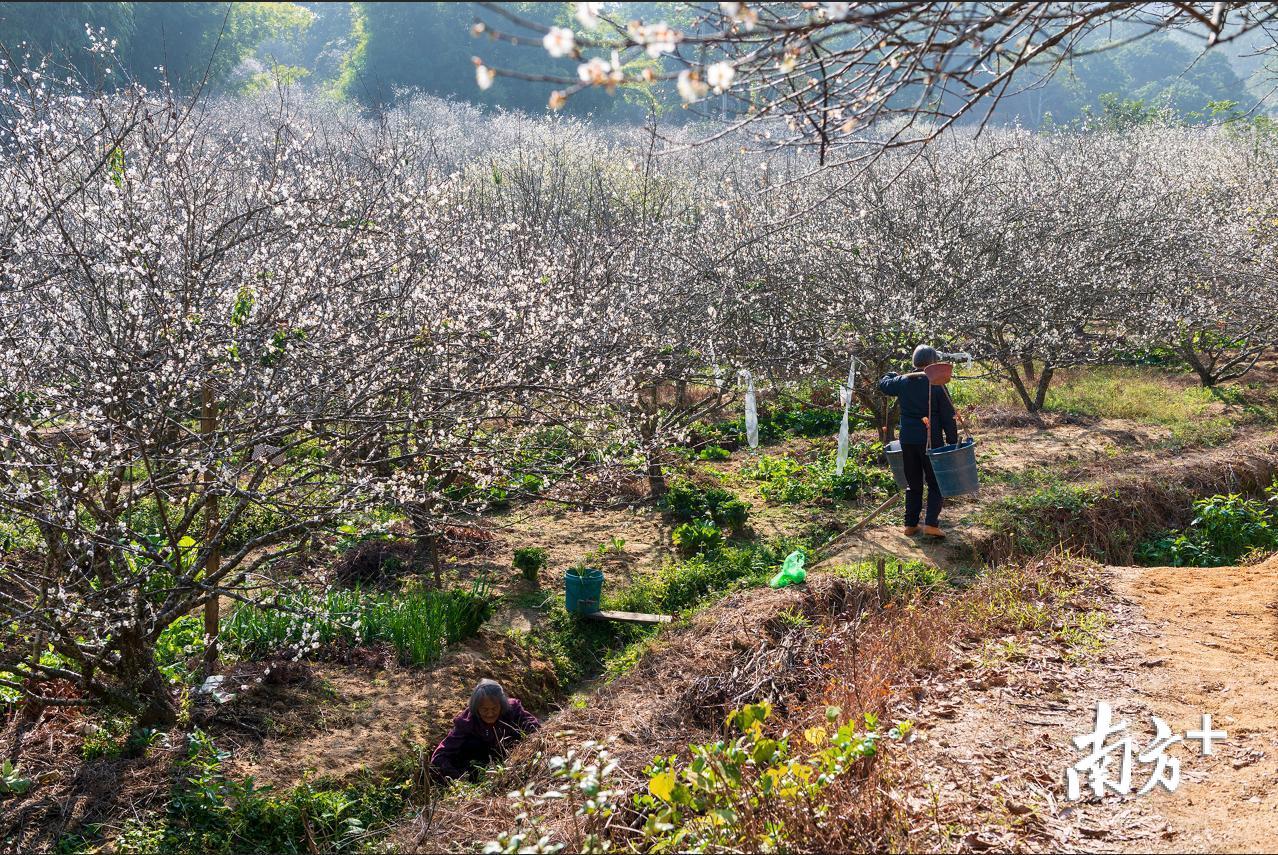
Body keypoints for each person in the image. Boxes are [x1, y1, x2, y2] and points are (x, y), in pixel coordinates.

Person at [877, 344, 959, 538]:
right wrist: (953, 442)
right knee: (935, 482)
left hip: (908, 441)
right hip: (931, 441)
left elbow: (884, 384)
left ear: (914, 362)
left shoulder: (903, 382)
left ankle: (910, 524)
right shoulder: (936, 384)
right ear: (933, 363)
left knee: (913, 483)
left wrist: (890, 374)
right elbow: (948, 416)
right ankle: (931, 524)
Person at [430, 679, 541, 781]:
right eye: (484, 709)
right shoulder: (467, 722)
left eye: (494, 708)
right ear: (476, 708)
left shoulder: (512, 710)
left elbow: (536, 730)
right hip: (478, 769)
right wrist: (459, 777)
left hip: (512, 760)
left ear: (501, 705)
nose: (490, 714)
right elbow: (440, 755)